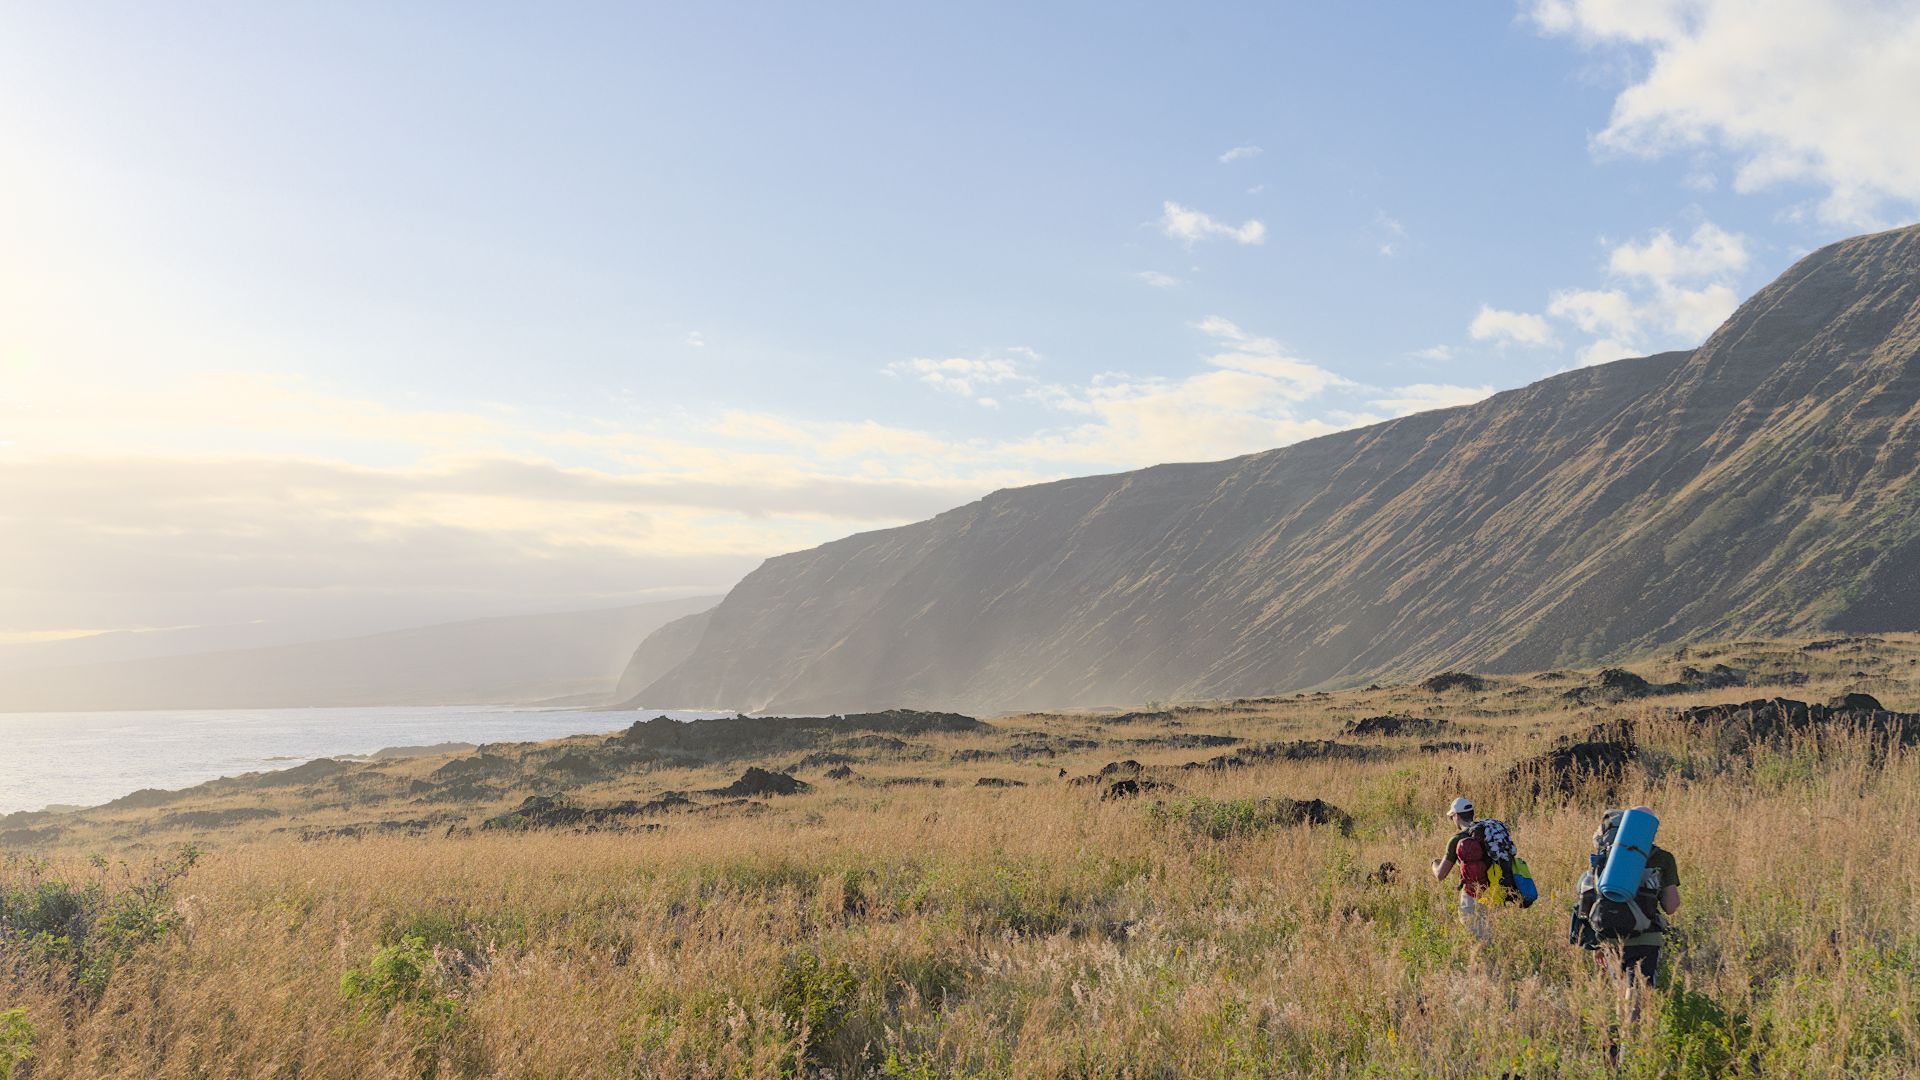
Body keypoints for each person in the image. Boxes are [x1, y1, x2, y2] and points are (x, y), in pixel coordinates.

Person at [1575, 806, 1681, 990]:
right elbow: (1671, 906)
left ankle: (1625, 1019)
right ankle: (1636, 1020)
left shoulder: (1605, 857)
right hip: (1646, 936)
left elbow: (1590, 897)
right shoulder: (1663, 858)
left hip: (1610, 935)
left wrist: (1597, 944)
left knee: (1622, 991)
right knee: (1640, 992)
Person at [1431, 795, 1492, 943]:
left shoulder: (1457, 839)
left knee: (1474, 932)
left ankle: (1484, 960)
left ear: (1456, 816)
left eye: (1451, 817)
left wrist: (1434, 863)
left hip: (1472, 893)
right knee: (1489, 928)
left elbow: (1440, 875)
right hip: (1496, 890)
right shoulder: (1487, 831)